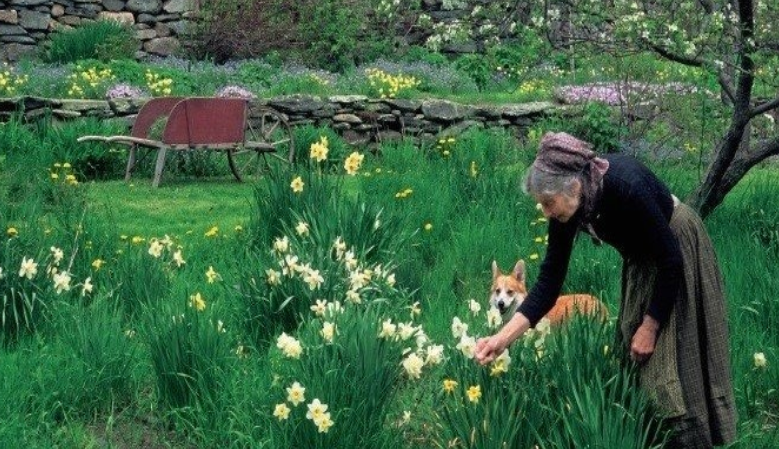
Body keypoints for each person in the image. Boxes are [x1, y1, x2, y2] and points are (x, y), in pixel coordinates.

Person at [474, 132, 736, 448]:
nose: (545, 212)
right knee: (634, 353)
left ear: (573, 186)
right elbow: (548, 283)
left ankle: (689, 440)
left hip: (678, 249)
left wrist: (651, 326)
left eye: (547, 203)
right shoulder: (568, 206)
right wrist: (501, 340)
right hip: (641, 259)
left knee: (676, 353)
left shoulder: (626, 188)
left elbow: (670, 259)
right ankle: (652, 437)